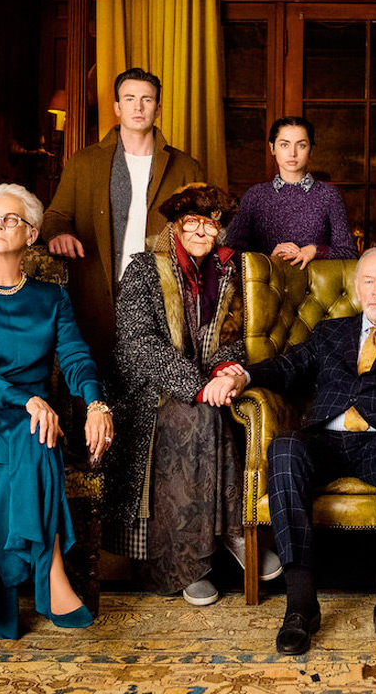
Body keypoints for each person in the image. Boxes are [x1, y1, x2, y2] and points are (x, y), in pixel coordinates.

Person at [203, 248, 376, 658]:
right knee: (284, 448)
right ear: (357, 289)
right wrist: (243, 375)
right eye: (369, 281)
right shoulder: (330, 332)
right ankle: (301, 606)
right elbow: (287, 367)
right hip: (326, 439)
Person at [0, 184, 113, 663]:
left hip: (33, 418)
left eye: (10, 219)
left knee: (30, 443)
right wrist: (26, 399)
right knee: (36, 434)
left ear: (31, 234)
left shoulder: (52, 298)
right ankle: (50, 571)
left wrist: (96, 403)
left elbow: (76, 357)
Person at [107, 183, 282, 606]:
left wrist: (223, 374)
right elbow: (138, 343)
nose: (203, 232)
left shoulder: (228, 271)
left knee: (211, 412)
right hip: (148, 390)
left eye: (211, 223)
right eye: (192, 223)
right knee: (199, 414)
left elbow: (235, 337)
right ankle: (212, 550)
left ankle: (216, 547)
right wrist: (197, 386)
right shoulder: (144, 269)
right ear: (175, 225)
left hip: (203, 387)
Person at [40, 67, 205, 364]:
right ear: (117, 107)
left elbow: (203, 231)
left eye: (146, 99)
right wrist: (60, 233)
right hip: (97, 292)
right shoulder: (84, 162)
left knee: (154, 381)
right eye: (129, 99)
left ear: (158, 108)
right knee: (97, 376)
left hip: (162, 295)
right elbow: (55, 215)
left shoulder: (185, 167)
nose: (138, 107)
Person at [226, 116, 358, 266]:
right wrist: (268, 259)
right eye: (284, 145)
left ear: (311, 150)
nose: (292, 153)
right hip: (267, 280)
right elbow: (230, 253)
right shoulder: (255, 196)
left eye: (301, 145)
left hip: (316, 281)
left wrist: (315, 251)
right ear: (272, 148)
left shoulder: (329, 195)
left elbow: (349, 254)